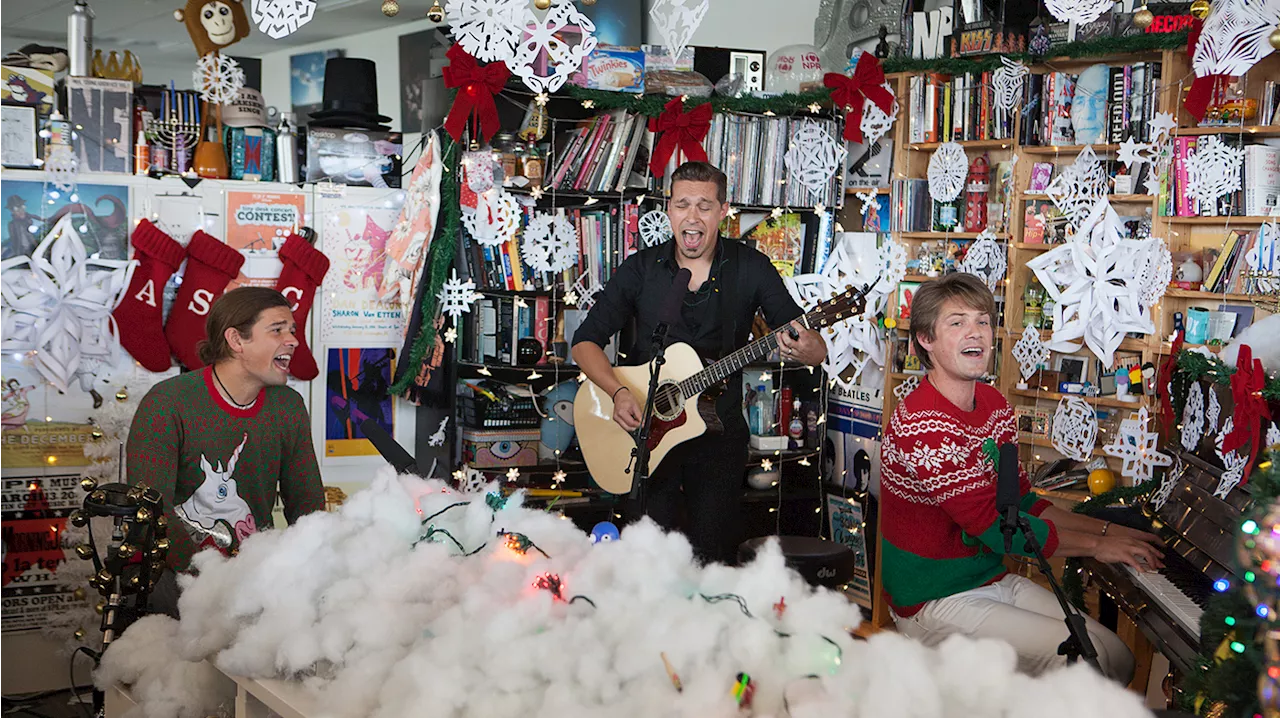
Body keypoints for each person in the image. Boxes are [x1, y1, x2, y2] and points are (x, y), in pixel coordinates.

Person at [879, 272, 1164, 682]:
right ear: (925, 339)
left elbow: (1022, 502)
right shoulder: (924, 424)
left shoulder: (993, 403)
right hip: (933, 600)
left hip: (988, 579)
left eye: (982, 321)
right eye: (956, 323)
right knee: (1086, 664)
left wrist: (1107, 529)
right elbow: (999, 529)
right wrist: (1099, 547)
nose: (974, 333)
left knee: (1116, 656)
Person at [571, 161, 827, 564]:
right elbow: (584, 343)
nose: (692, 217)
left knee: (714, 559)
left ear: (723, 211)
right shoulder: (641, 270)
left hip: (718, 439)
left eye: (704, 206)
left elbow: (813, 348)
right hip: (645, 440)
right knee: (648, 561)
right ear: (669, 209)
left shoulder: (751, 268)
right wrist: (618, 392)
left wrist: (807, 347)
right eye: (682, 205)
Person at [127, 287, 325, 615]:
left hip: (256, 576)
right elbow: (151, 511)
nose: (292, 340)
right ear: (236, 340)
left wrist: (308, 568)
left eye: (292, 330)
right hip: (177, 580)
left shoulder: (288, 406)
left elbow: (307, 503)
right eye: (277, 330)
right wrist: (213, 578)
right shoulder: (167, 403)